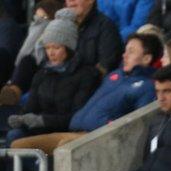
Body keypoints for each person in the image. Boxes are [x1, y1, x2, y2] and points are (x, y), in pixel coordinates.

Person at [11, 33, 162, 154]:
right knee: (18, 145)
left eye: (131, 51)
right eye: (125, 50)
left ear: (147, 58)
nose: (124, 55)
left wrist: (109, 127)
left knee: (65, 147)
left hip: (96, 137)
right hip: (74, 131)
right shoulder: (115, 75)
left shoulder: (147, 86)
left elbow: (139, 125)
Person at [5, 8, 100, 146]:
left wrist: (42, 120)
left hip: (65, 131)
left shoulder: (86, 75)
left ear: (69, 48)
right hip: (40, 130)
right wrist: (21, 119)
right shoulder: (42, 73)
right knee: (14, 135)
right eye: (47, 48)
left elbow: (76, 117)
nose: (51, 53)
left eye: (56, 48)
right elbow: (31, 108)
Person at [0, 0, 123, 106]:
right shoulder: (63, 25)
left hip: (79, 87)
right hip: (57, 77)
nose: (70, 2)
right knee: (29, 61)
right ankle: (13, 91)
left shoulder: (105, 27)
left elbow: (106, 65)